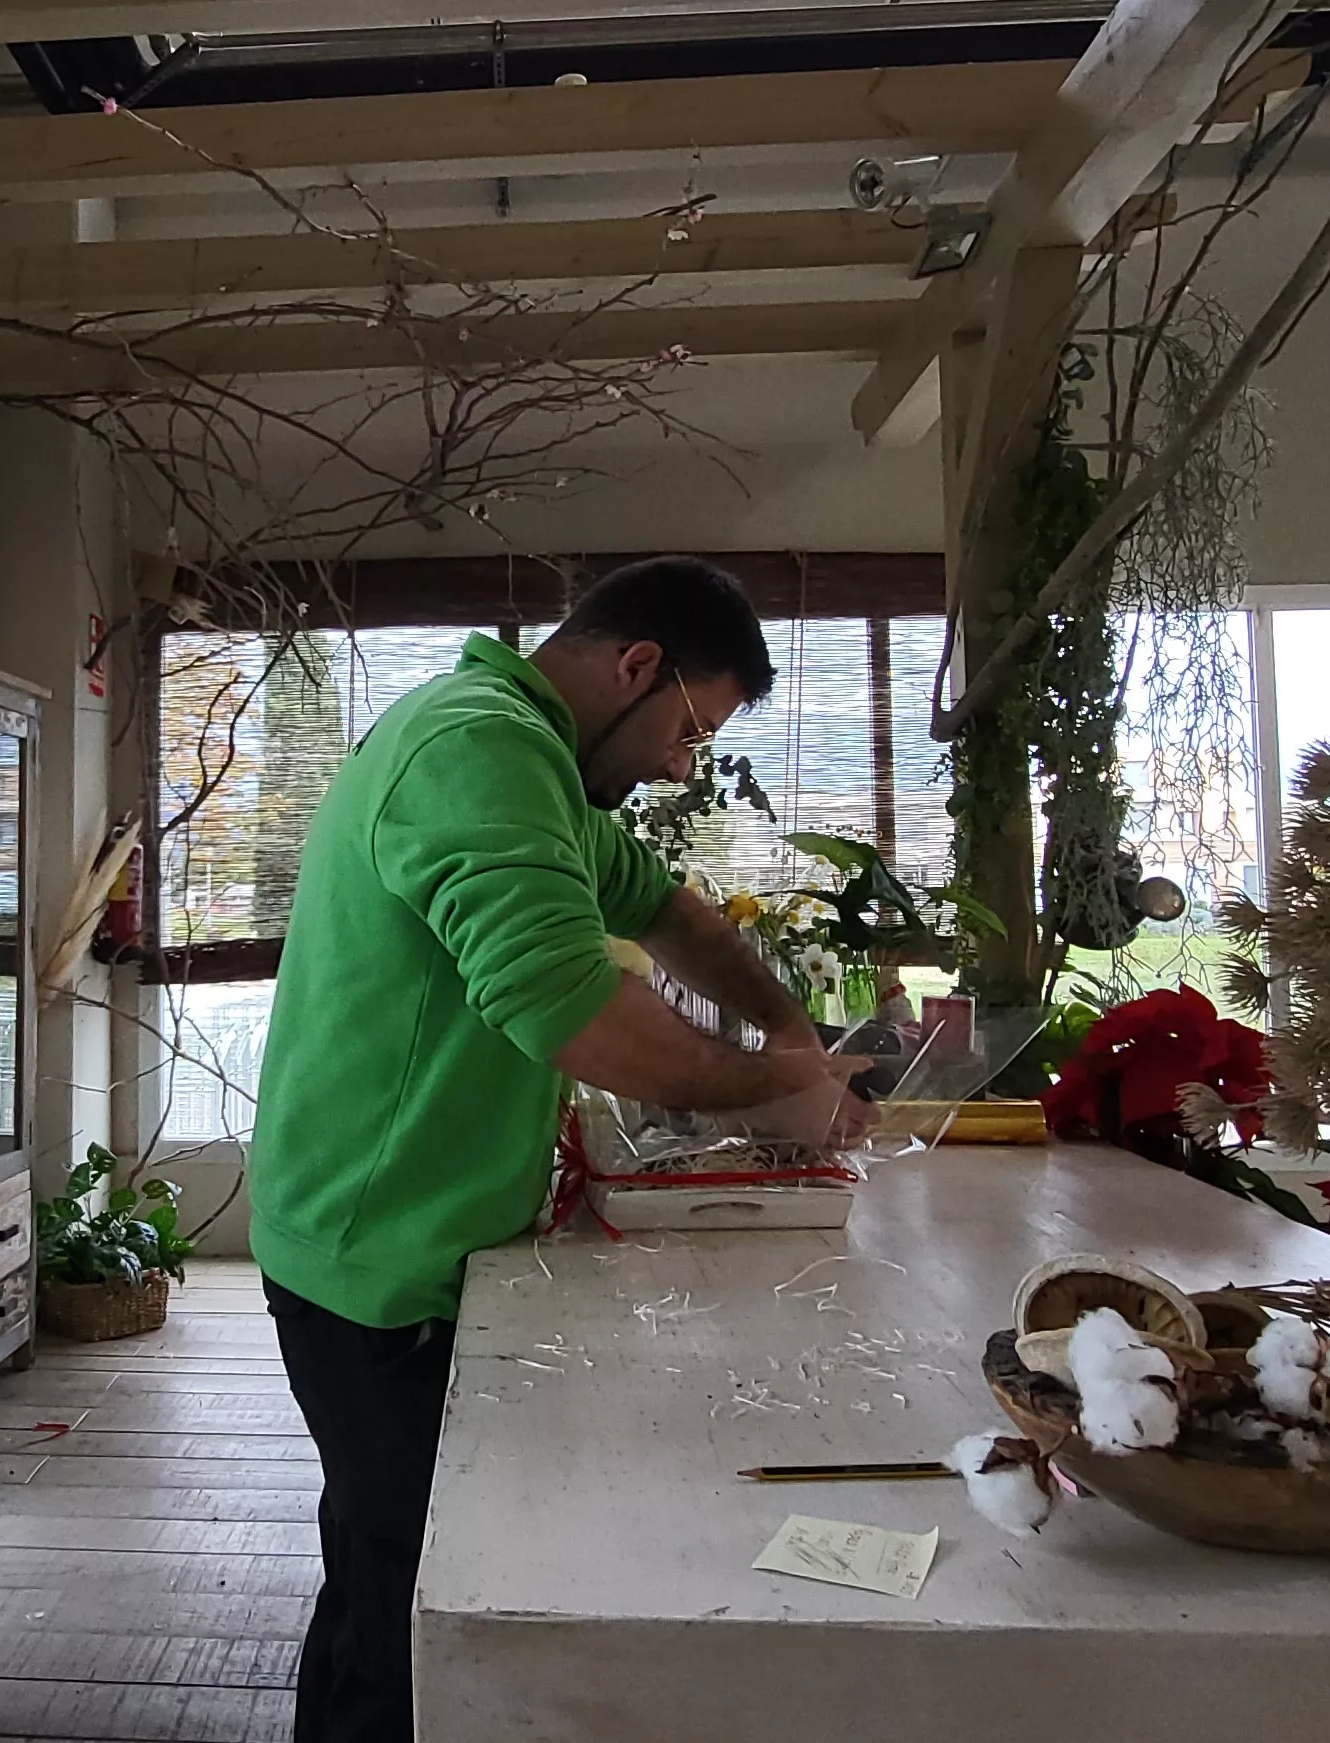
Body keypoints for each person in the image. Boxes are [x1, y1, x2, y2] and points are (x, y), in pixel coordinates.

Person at [246, 555, 870, 1743]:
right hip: (376, 1252)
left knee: (377, 1562)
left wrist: (793, 1031)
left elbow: (667, 912)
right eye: (688, 728)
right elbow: (574, 1012)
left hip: (404, 1228)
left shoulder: (534, 769)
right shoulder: (477, 750)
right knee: (407, 1608)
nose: (683, 764)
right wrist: (772, 1095)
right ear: (635, 666)